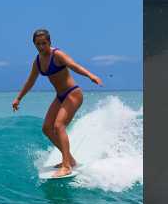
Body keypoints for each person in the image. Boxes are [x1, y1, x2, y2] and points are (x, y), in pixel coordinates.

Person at [12, 29, 102, 178]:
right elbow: (30, 81)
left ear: (49, 42)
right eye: (38, 44)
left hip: (73, 93)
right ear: (34, 44)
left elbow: (74, 65)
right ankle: (70, 160)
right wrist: (18, 98)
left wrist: (90, 75)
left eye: (44, 43)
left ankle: (66, 165)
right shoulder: (38, 62)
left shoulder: (57, 55)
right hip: (60, 96)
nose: (41, 47)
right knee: (46, 128)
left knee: (58, 125)